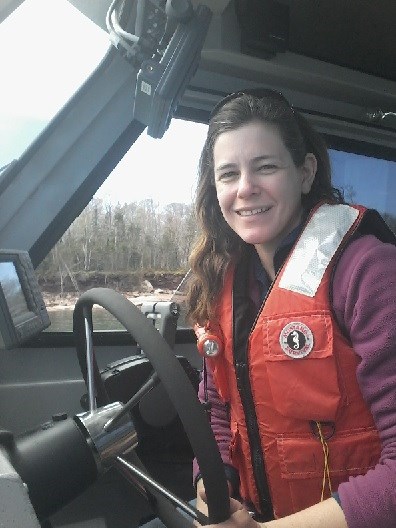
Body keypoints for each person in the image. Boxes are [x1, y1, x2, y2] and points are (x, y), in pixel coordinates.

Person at [185, 88, 396, 528]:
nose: (245, 188)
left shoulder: (367, 271)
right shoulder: (223, 281)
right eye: (228, 174)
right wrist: (213, 486)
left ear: (304, 173)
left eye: (266, 167)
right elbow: (218, 410)